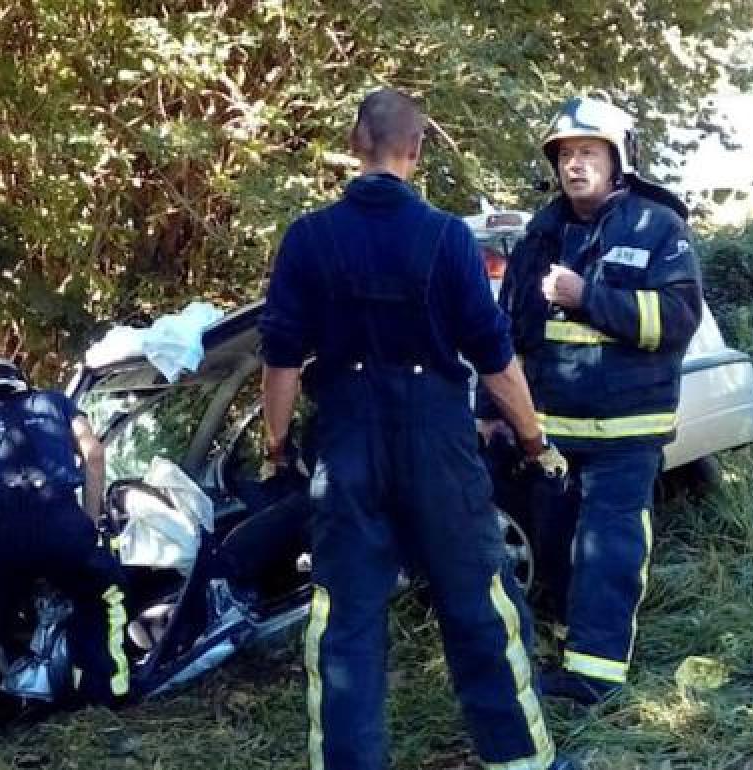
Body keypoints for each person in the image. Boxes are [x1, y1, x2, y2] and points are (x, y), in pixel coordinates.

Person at [261, 88, 577, 770]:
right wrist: (533, 442)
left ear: (355, 142)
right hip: (438, 442)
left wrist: (276, 449)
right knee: (480, 602)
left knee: (344, 622)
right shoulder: (446, 237)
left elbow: (280, 360)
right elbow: (495, 361)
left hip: (346, 445)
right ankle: (522, 760)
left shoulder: (308, 238)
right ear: (417, 149)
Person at [478, 96, 703, 705]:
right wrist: (490, 410)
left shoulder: (658, 227)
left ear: (619, 158)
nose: (573, 164)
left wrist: (587, 297)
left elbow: (676, 320)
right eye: (565, 154)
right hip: (549, 432)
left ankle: (596, 677)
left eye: (587, 152)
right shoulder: (540, 235)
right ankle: (568, 644)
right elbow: (506, 331)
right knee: (554, 545)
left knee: (608, 552)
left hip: (627, 430)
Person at [0, 353, 129, 748]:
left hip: (2, 541)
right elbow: (95, 455)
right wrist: (88, 523)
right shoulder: (55, 402)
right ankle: (107, 695)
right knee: (105, 597)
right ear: (17, 377)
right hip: (65, 529)